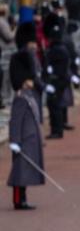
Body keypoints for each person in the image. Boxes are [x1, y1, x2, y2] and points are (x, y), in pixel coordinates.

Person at [7, 51, 43, 210]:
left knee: (25, 171)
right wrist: (14, 141)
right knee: (19, 172)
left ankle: (23, 198)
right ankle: (18, 200)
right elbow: (15, 121)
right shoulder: (21, 98)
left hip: (29, 140)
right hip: (22, 141)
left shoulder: (29, 95)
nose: (32, 81)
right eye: (29, 79)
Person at [41, 13, 73, 139]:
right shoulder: (59, 48)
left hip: (56, 80)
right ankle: (57, 128)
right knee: (55, 105)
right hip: (58, 80)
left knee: (54, 106)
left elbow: (52, 66)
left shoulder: (56, 50)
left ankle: (57, 130)